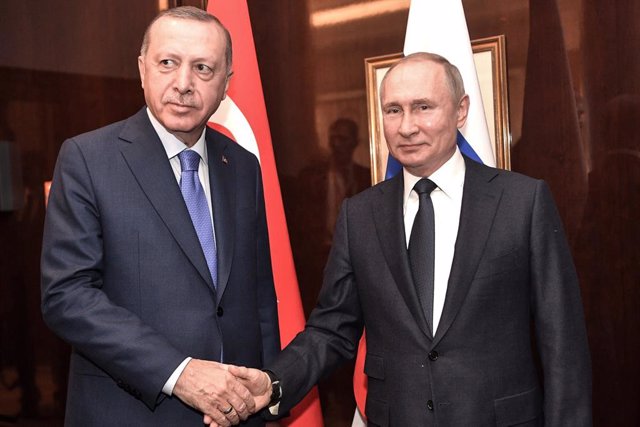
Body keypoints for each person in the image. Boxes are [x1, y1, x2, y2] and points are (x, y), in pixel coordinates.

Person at [227, 52, 592, 426]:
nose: (406, 127)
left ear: (461, 111)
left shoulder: (522, 203)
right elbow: (331, 328)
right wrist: (275, 383)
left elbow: (562, 343)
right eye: (393, 110)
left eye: (423, 107)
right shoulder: (360, 215)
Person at [40, 6, 279, 426]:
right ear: (142, 68)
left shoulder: (242, 166)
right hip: (129, 412)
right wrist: (179, 372)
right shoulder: (87, 158)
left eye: (203, 68)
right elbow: (68, 295)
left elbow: (258, 299)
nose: (183, 84)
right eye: (168, 63)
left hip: (235, 415)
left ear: (226, 84)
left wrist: (270, 391)